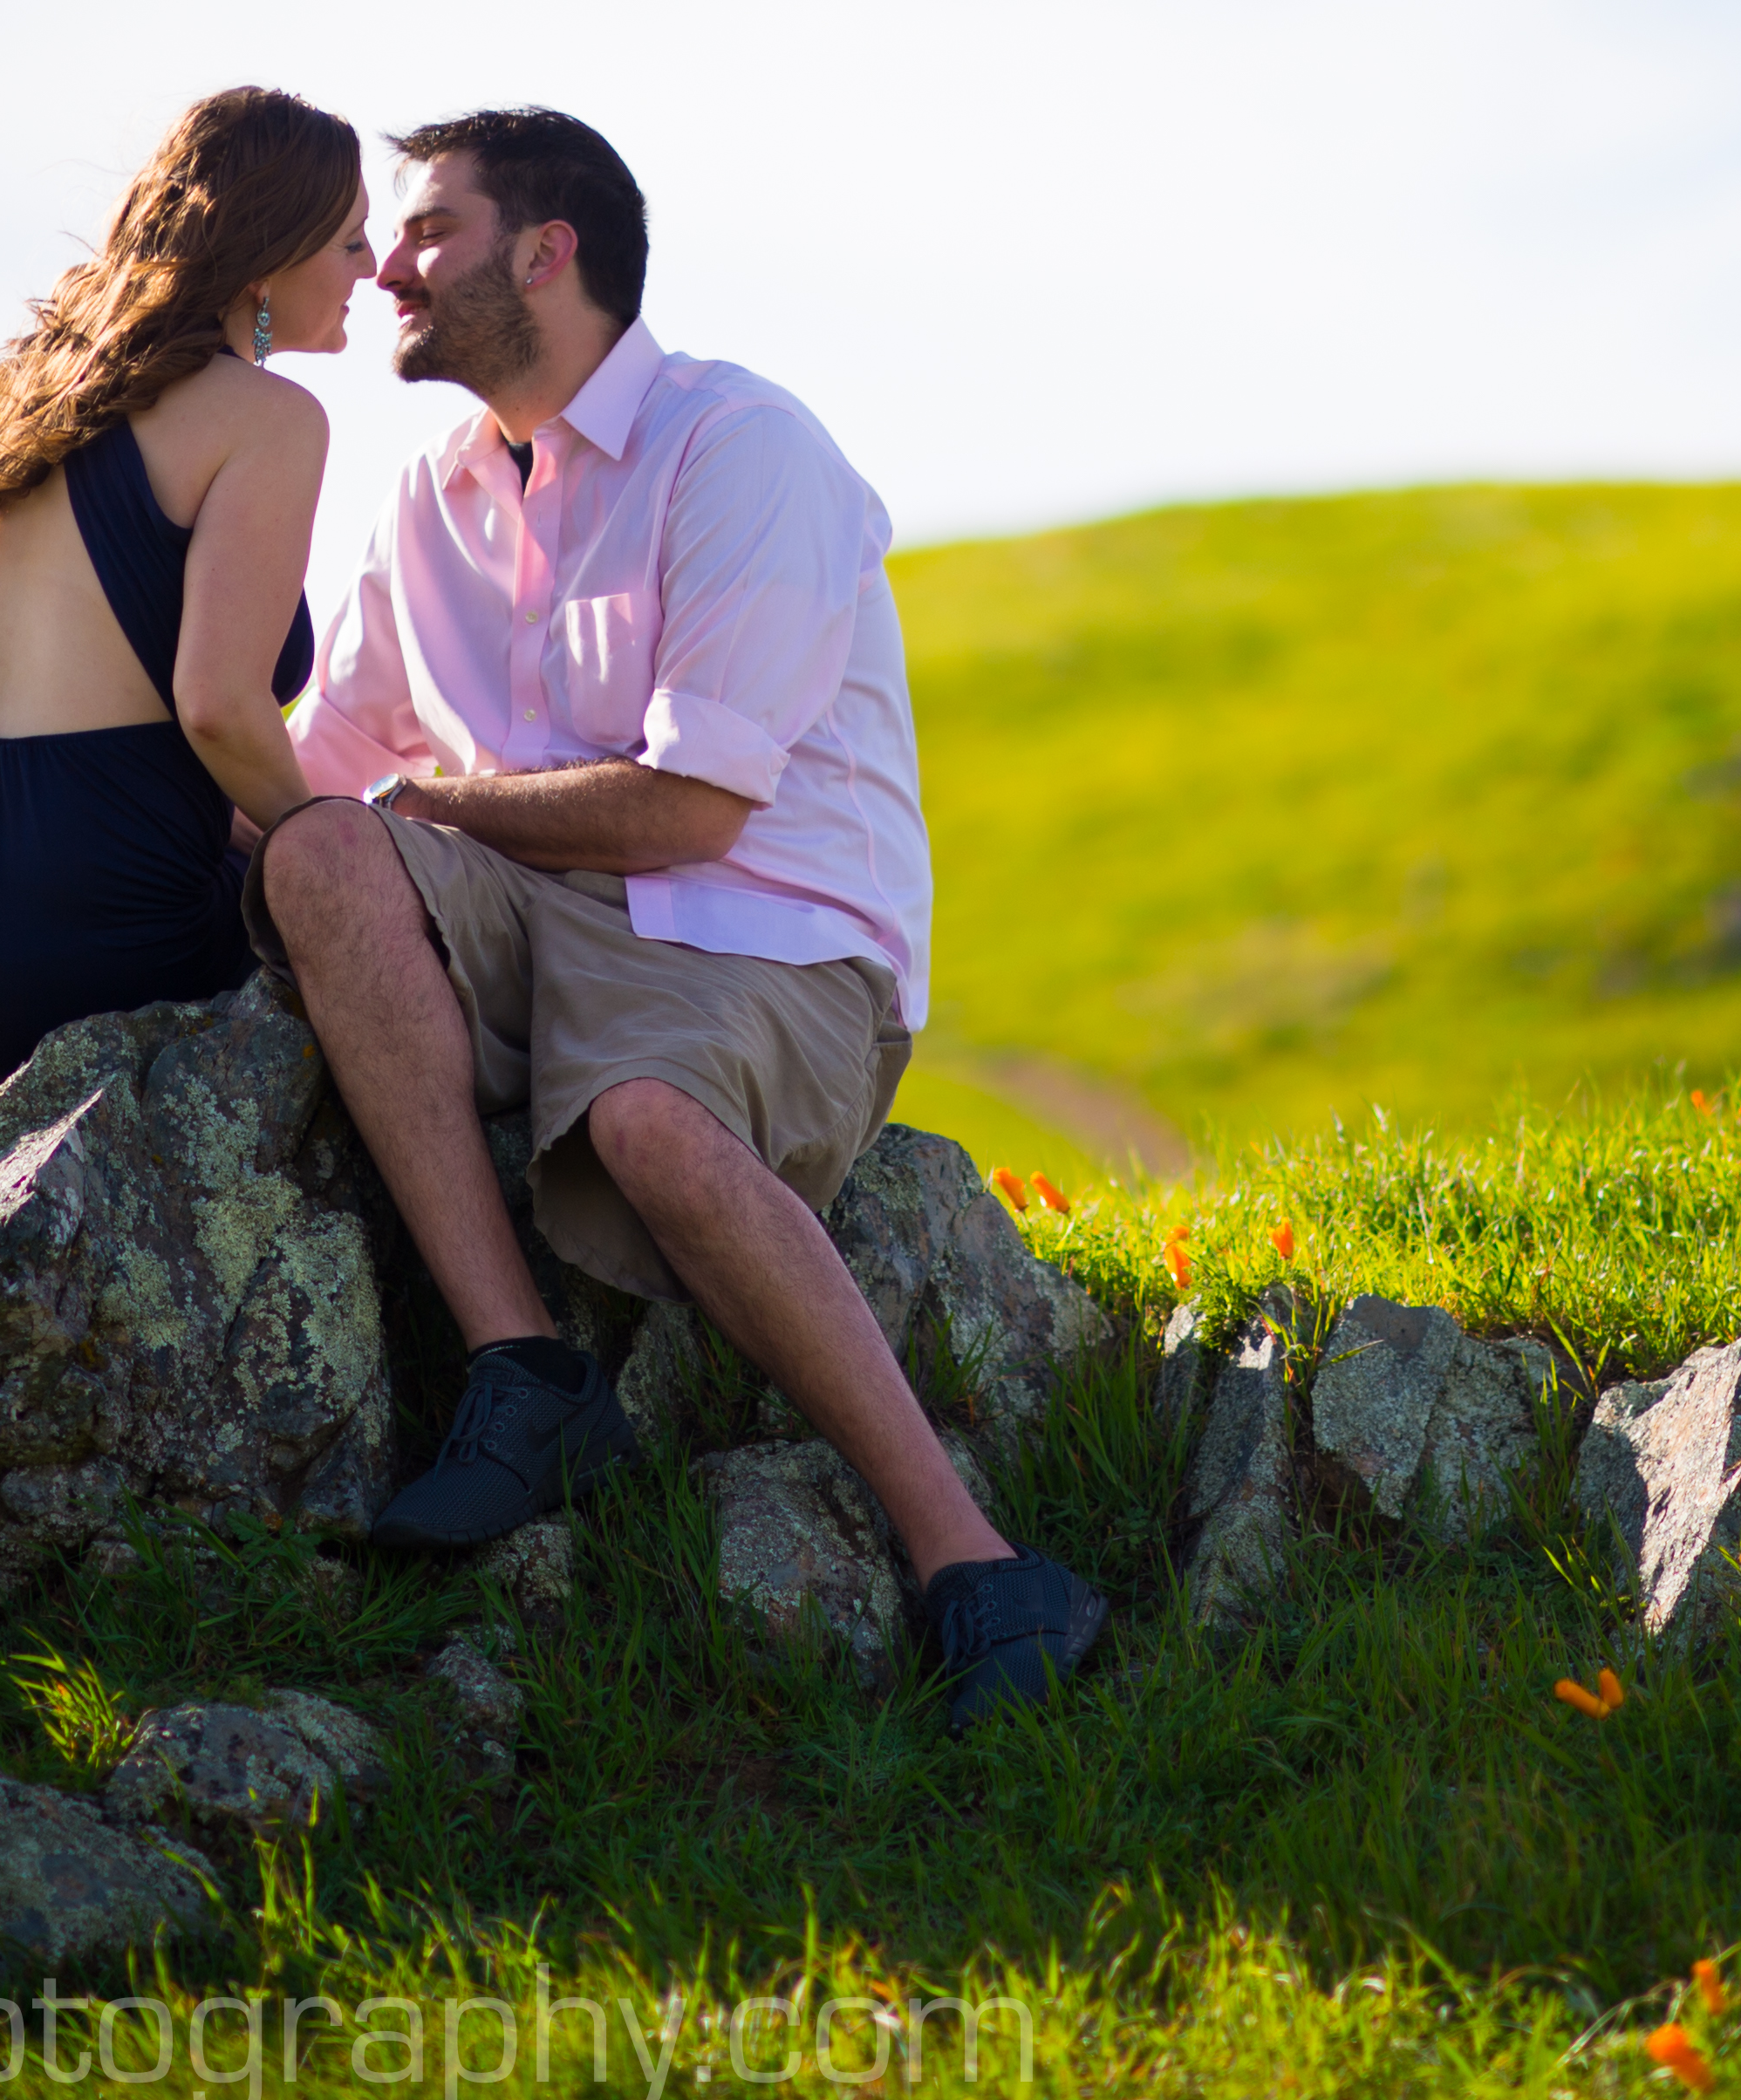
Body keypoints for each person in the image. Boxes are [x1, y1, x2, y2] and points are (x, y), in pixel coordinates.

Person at [255, 106, 1106, 1727]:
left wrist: (428, 807)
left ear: (547, 249)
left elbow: (692, 808)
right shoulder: (422, 499)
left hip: (765, 939)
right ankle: (525, 1374)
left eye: (428, 229)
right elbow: (318, 774)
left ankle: (971, 1563)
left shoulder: (743, 448)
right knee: (315, 859)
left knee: (646, 1122)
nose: (385, 269)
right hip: (536, 912)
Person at [0, 85, 376, 1149]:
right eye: (347, 240)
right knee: (355, 945)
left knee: (205, 857)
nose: (369, 268)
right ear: (267, 255)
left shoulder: (32, 383)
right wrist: (332, 850)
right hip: (70, 912)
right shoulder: (272, 419)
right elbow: (220, 710)